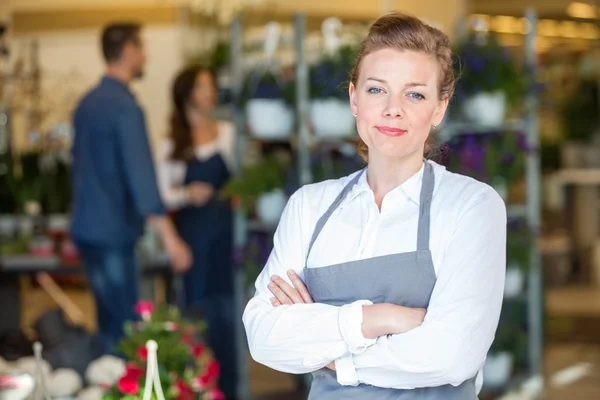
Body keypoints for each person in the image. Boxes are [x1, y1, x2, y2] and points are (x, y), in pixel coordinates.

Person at [243, 12, 507, 399]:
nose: (392, 109)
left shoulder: (471, 206)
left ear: (440, 108)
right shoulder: (309, 206)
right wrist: (382, 318)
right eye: (376, 90)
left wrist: (334, 355)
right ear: (353, 98)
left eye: (414, 93)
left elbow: (451, 356)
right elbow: (264, 337)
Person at [70, 22, 192, 356]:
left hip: (87, 229)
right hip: (112, 233)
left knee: (109, 325)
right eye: (142, 48)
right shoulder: (124, 107)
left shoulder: (87, 104)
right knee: (127, 332)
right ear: (127, 52)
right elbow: (141, 178)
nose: (145, 55)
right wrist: (172, 240)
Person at [156, 65, 238, 399]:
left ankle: (232, 391)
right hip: (191, 238)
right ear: (187, 92)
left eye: (212, 85)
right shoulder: (172, 144)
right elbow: (161, 194)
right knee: (194, 317)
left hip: (225, 237)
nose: (211, 92)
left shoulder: (228, 133)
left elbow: (243, 179)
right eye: (205, 86)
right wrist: (186, 194)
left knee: (228, 319)